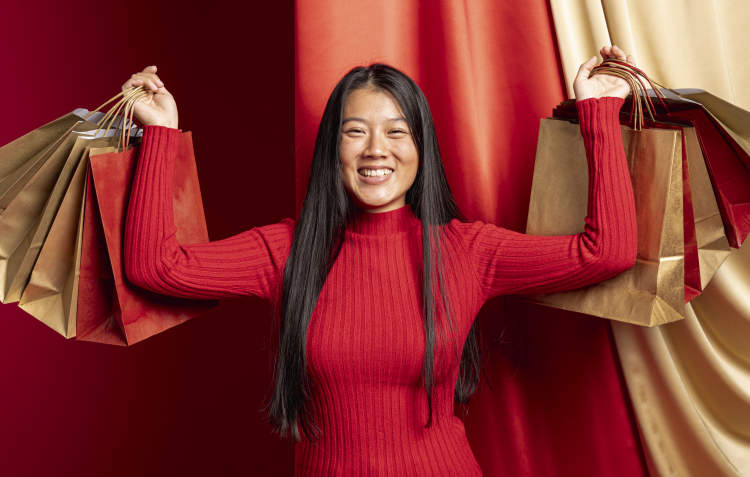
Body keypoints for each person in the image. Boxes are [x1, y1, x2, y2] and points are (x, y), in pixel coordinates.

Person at [122, 45, 638, 476]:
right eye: (355, 131)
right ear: (333, 149)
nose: (375, 150)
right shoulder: (288, 250)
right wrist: (160, 134)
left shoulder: (467, 251)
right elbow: (155, 268)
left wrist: (598, 111)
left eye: (396, 131)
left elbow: (606, 252)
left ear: (421, 148)